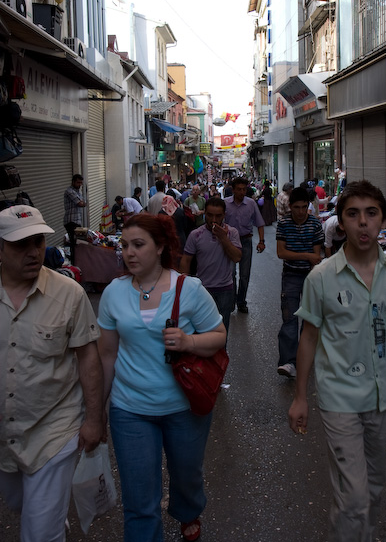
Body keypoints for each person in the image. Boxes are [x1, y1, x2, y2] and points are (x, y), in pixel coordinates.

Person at [288, 180, 386, 542]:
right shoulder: (321, 278)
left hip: (383, 398)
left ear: (382, 219)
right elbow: (308, 338)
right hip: (339, 399)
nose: (363, 223)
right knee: (353, 496)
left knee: (372, 488)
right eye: (352, 214)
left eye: (371, 213)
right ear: (340, 222)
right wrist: (300, 396)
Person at [98, 213, 226, 542]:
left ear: (160, 247)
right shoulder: (113, 292)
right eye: (124, 245)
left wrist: (189, 342)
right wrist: (97, 409)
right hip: (130, 410)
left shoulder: (190, 289)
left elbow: (219, 335)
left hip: (184, 407)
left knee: (187, 475)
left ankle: (188, 509)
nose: (129, 252)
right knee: (139, 497)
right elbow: (107, 354)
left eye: (138, 245)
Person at [0, 205, 103, 542]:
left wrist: (93, 419)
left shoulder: (68, 293)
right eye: (20, 245)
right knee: (21, 503)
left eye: (38, 242)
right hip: (5, 433)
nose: (33, 252)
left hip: (53, 430)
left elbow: (88, 356)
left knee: (39, 533)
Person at [276, 187, 324, 378]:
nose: (301, 211)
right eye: (297, 207)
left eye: (304, 207)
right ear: (290, 206)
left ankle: (303, 358)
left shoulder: (315, 224)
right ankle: (288, 362)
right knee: (289, 319)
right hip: (291, 275)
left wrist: (309, 261)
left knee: (310, 320)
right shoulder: (284, 224)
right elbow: (281, 253)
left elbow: (317, 257)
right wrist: (306, 256)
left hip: (311, 276)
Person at [180, 197, 242, 334]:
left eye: (218, 216)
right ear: (204, 214)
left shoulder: (232, 233)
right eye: (210, 215)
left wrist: (223, 238)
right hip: (202, 289)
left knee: (222, 332)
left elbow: (237, 257)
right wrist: (183, 287)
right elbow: (186, 261)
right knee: (202, 332)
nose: (214, 219)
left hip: (225, 289)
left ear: (224, 215)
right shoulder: (196, 235)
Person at [224, 177, 265, 314]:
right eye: (239, 189)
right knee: (230, 274)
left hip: (246, 241)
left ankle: (241, 302)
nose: (242, 192)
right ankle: (231, 302)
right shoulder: (225, 204)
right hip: (230, 243)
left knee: (244, 275)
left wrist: (261, 241)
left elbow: (259, 223)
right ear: (233, 190)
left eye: (244, 189)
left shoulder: (251, 204)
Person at [63, 173, 86, 264]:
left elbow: (83, 203)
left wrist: (83, 203)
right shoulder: (69, 191)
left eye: (81, 183)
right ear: (73, 182)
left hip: (77, 220)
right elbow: (80, 203)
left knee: (77, 242)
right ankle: (74, 262)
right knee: (73, 243)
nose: (79, 185)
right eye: (78, 182)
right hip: (71, 221)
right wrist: (83, 203)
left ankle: (77, 260)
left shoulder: (77, 192)